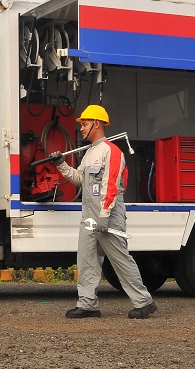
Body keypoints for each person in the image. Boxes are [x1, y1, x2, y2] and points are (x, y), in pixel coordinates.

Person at [49, 105, 157, 319]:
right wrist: (61, 165)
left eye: (85, 124)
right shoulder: (89, 153)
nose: (81, 128)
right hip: (89, 215)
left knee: (120, 259)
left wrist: (104, 216)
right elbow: (80, 180)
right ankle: (88, 305)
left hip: (108, 215)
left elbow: (111, 187)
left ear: (96, 124)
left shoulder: (111, 151)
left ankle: (144, 302)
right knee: (87, 259)